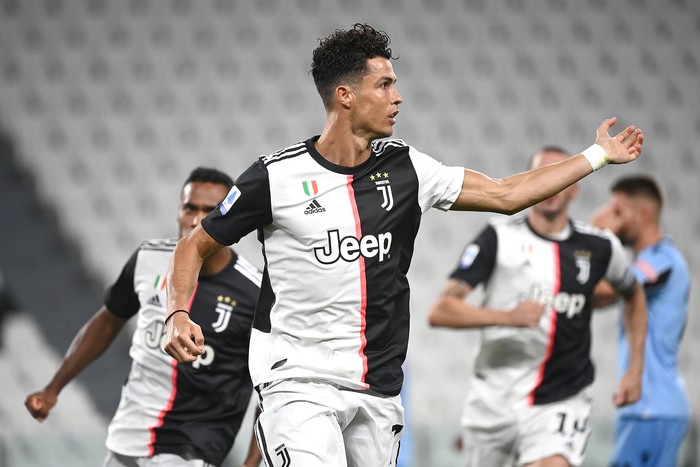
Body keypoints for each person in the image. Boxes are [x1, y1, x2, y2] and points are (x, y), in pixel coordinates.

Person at [163, 24, 644, 467]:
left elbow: (505, 194)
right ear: (346, 95)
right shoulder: (275, 176)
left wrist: (598, 155)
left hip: (378, 384)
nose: (399, 97)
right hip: (297, 378)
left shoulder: (408, 168)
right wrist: (178, 313)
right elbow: (194, 246)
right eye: (385, 85)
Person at [25, 167, 262, 467]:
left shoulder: (254, 292)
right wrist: (52, 388)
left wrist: (251, 463)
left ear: (228, 217)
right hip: (129, 434)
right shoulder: (147, 259)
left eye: (210, 210)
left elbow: (269, 386)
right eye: (189, 207)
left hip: (193, 445)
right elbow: (108, 321)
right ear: (178, 210)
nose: (196, 219)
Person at [427, 146, 647, 467]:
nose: (550, 185)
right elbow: (441, 310)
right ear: (528, 181)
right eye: (540, 176)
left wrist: (635, 371)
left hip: (561, 397)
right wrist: (508, 317)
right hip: (493, 402)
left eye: (559, 176)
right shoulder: (497, 237)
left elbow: (633, 293)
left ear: (575, 186)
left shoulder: (599, 246)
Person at [591, 175, 690, 467]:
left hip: (653, 407)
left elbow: (601, 289)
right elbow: (593, 298)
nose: (614, 220)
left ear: (644, 214)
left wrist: (597, 235)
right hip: (646, 409)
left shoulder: (663, 259)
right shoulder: (645, 262)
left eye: (619, 212)